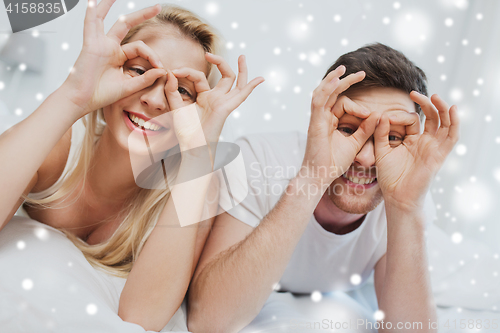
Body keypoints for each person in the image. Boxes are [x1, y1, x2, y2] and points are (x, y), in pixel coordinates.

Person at [0, 0, 263, 331]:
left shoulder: (193, 187)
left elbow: (143, 318)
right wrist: (73, 96)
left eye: (180, 91)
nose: (154, 100)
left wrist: (199, 151)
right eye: (138, 71)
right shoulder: (60, 143)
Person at [187, 43, 460, 332]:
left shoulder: (407, 193)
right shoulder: (258, 160)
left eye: (391, 137)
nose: (366, 158)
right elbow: (209, 320)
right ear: (319, 121)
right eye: (348, 129)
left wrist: (405, 208)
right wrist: (313, 178)